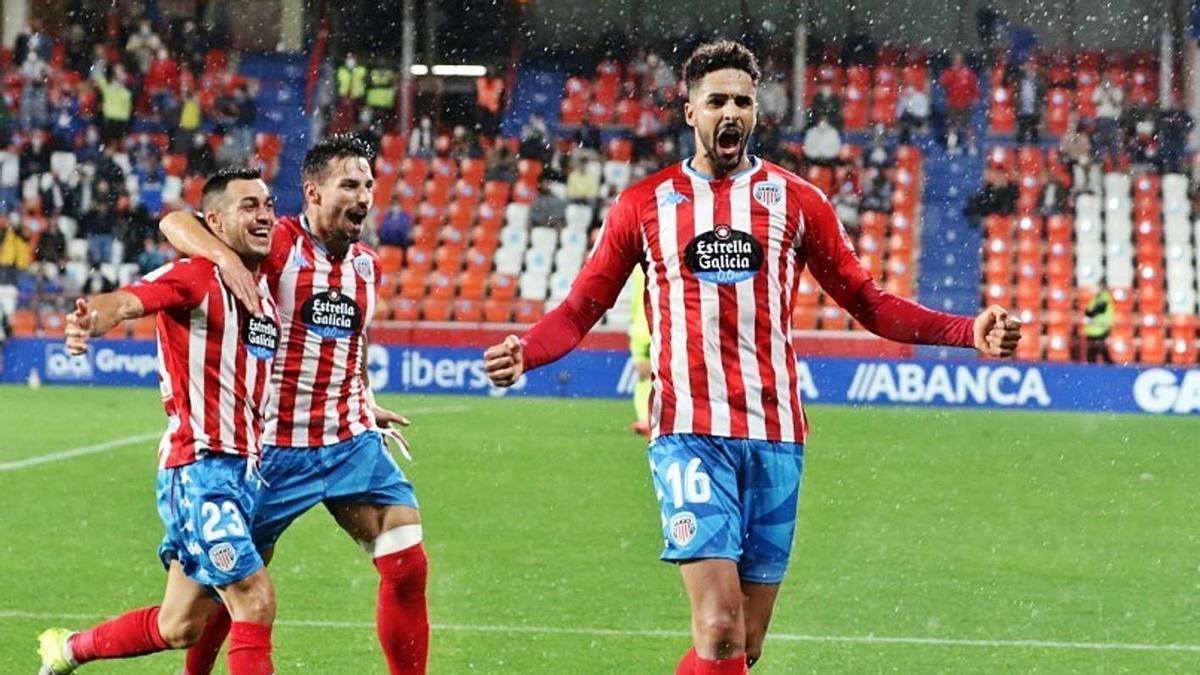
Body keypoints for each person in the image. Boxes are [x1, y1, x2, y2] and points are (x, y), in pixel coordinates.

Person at [482, 40, 1022, 674]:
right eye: (717, 101)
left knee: (745, 643)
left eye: (743, 100)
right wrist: (529, 352)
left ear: (757, 111)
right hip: (689, 433)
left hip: (775, 436)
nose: (730, 111)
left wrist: (967, 330)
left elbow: (869, 303)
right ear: (691, 112)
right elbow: (580, 309)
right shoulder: (644, 204)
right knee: (717, 627)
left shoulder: (797, 202)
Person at [160, 136, 428, 675]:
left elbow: (354, 341)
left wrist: (364, 398)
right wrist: (222, 259)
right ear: (312, 192)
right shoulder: (276, 244)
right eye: (350, 184)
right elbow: (174, 222)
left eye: (369, 185)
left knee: (407, 560)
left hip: (348, 442)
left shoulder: (367, 266)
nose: (365, 196)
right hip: (274, 450)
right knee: (224, 589)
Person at [36, 166, 281, 675]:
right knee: (253, 598)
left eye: (267, 205)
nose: (264, 215)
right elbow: (127, 301)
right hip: (201, 470)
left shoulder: (264, 285)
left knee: (180, 626)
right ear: (213, 221)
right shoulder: (196, 275)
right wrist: (92, 318)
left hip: (244, 473)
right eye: (248, 206)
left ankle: (68, 649)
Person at [939, 52, 980, 155]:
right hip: (952, 103)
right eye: (956, 59)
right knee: (952, 126)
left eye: (959, 59)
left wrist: (975, 96)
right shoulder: (949, 72)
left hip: (965, 103)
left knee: (968, 126)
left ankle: (971, 146)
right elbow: (943, 82)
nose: (957, 62)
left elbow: (974, 86)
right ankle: (951, 146)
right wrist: (953, 74)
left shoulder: (968, 73)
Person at [628, 265, 651, 436]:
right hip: (641, 326)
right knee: (644, 374)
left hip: (665, 325)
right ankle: (644, 419)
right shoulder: (637, 265)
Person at [1085, 286, 1114, 363]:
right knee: (1096, 351)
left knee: (1097, 350)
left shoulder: (1103, 299)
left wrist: (1089, 314)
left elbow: (1092, 312)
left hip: (1100, 329)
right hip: (1095, 330)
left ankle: (1109, 366)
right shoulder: (1097, 298)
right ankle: (1109, 366)